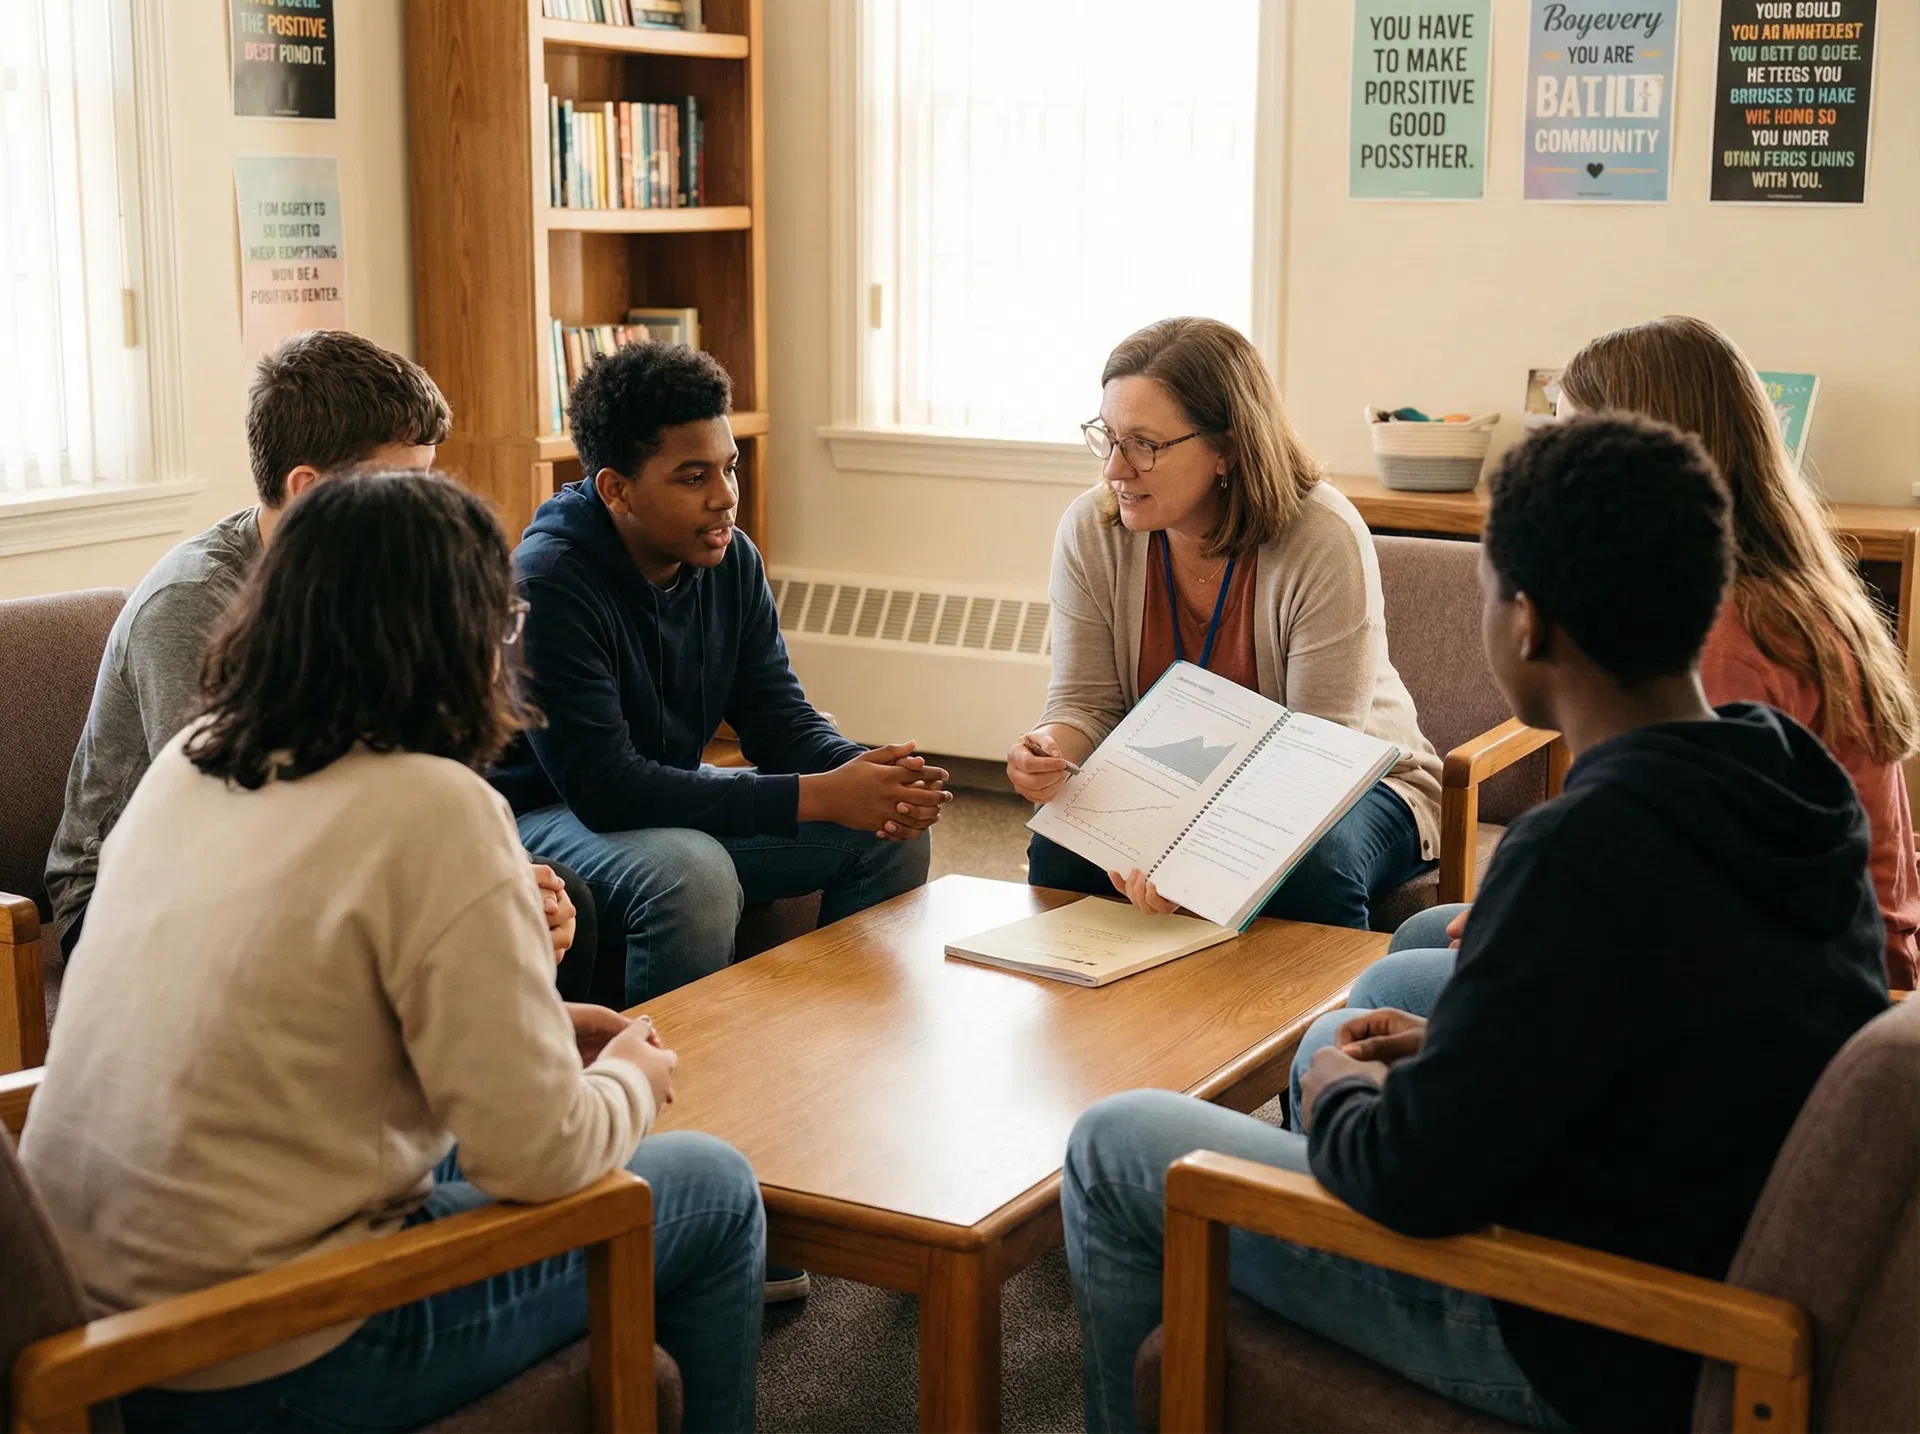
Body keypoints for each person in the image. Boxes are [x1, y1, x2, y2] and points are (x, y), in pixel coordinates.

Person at [1063, 415, 1889, 1434]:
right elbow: (1681, 1017)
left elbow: (1414, 1179)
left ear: (1527, 624)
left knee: (1117, 1141)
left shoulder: (1583, 846)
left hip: (1581, 1330)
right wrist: (1462, 1043)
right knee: (1343, 1024)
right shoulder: (1783, 776)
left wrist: (1340, 1100)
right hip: (1685, 1233)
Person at [20, 473, 764, 1434]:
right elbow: (541, 1157)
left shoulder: (194, 756)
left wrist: (531, 1022)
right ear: (465, 639)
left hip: (93, 1330)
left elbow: (313, 1013)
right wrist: (627, 1076)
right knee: (712, 1184)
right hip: (268, 1348)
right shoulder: (436, 806)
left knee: (499, 1136)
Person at [1292, 315, 1919, 1074]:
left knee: (1383, 990)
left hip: (1780, 994)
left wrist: (1536, 917)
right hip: (1829, 957)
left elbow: (1688, 912)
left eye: (1569, 440)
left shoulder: (1722, 642)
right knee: (1426, 942)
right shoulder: (1781, 592)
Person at [41, 330, 590, 990]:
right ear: (308, 489)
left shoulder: (368, 576)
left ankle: (530, 1074)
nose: (428, 503)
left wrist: (487, 877)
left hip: (310, 848)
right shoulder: (193, 604)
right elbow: (226, 823)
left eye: (430, 477)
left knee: (559, 904)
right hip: (134, 899)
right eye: (405, 482)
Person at [490, 342, 950, 1009]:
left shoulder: (729, 560)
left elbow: (778, 719)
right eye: (693, 477)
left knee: (884, 834)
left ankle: (844, 1062)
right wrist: (819, 796)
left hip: (659, 791)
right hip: (543, 812)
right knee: (692, 877)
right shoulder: (549, 584)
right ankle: (674, 1094)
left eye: (730, 468)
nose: (726, 498)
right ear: (616, 489)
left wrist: (870, 775)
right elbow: (606, 789)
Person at [1006, 317, 1440, 930]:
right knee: (1061, 845)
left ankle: (1316, 1026)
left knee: (1314, 867)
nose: (1114, 469)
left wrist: (1196, 854)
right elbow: (1087, 706)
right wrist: (1049, 748)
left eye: (1144, 445)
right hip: (1178, 783)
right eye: (1107, 436)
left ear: (1227, 449)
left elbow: (1320, 750)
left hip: (1353, 783)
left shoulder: (1323, 535)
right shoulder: (1092, 530)